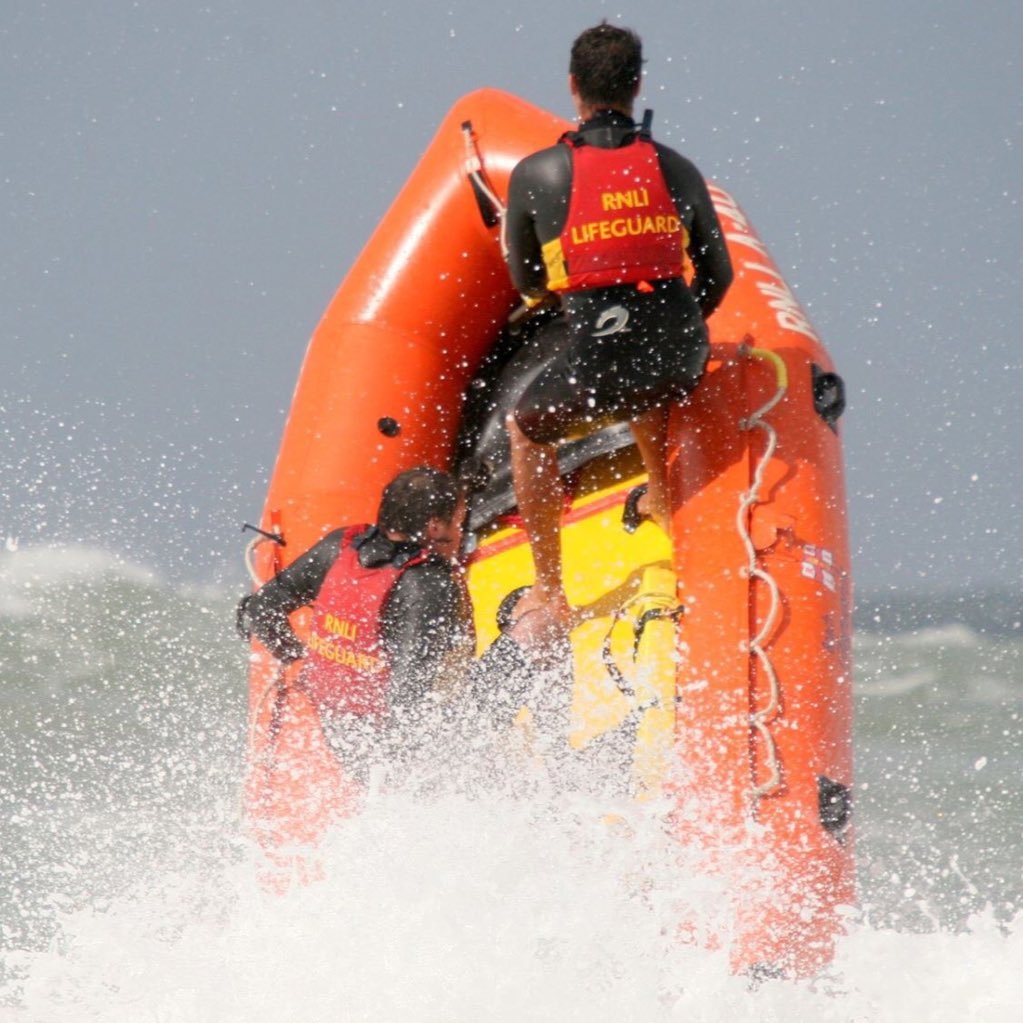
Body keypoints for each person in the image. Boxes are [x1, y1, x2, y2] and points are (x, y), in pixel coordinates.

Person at [501, 22, 734, 624]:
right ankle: (658, 494)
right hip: (682, 359)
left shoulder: (536, 174)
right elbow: (720, 275)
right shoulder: (676, 169)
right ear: (638, 85)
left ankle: (549, 590)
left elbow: (527, 281)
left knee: (527, 428)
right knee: (644, 351)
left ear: (573, 86)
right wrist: (684, 321)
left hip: (606, 364)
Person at [238, 465, 569, 778]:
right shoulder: (426, 586)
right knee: (543, 624)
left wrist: (296, 657)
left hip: (349, 748)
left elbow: (258, 611)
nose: (460, 530)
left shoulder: (339, 548)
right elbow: (410, 700)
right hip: (423, 757)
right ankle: (560, 756)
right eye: (458, 521)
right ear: (435, 528)